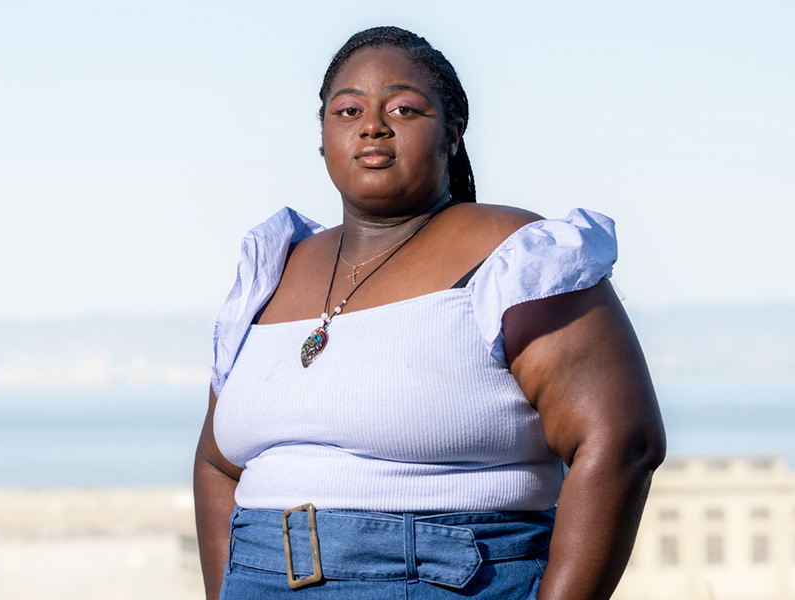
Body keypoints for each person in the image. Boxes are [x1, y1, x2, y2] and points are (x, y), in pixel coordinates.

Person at [194, 26, 666, 600]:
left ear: (452, 132)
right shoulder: (272, 269)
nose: (372, 125)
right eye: (348, 110)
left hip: (439, 580)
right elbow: (218, 464)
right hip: (260, 577)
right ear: (322, 136)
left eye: (405, 108)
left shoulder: (512, 253)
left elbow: (620, 441)